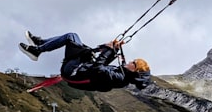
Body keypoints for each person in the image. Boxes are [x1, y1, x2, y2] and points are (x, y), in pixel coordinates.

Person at [19, 31, 152, 91]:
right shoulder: (122, 74)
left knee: (70, 37)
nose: (130, 62)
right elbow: (102, 65)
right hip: (79, 69)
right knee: (72, 36)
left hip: (73, 72)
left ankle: (37, 50)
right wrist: (112, 49)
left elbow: (98, 69)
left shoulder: (120, 78)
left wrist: (109, 51)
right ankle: (41, 44)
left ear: (136, 71)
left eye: (133, 63)